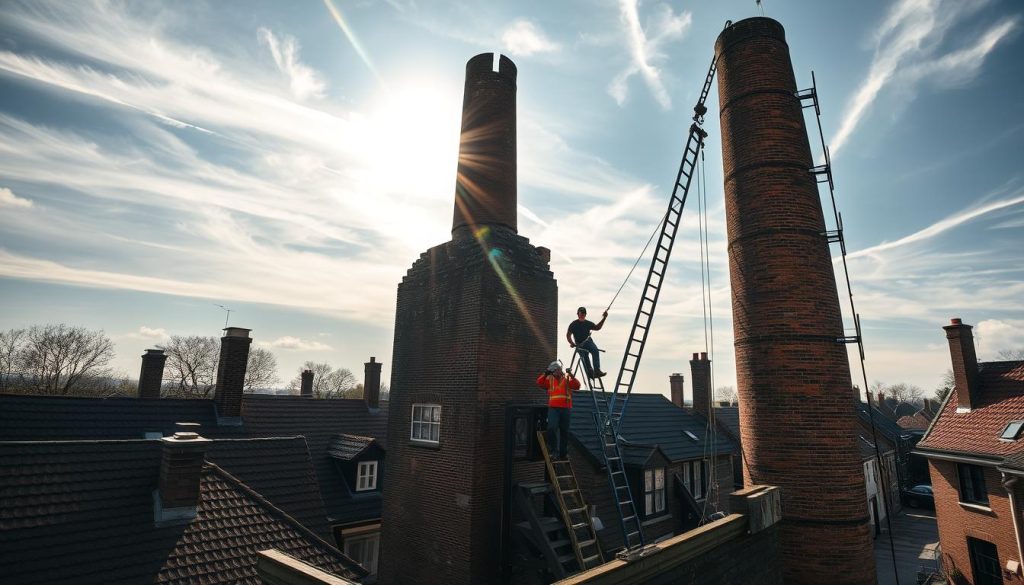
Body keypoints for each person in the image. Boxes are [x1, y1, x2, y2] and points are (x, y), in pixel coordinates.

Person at [537, 361, 580, 460]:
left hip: (566, 408)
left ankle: (563, 454)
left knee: (565, 431)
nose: (554, 373)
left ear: (559, 370)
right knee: (551, 428)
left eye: (555, 370)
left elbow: (577, 386)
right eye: (552, 371)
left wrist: (571, 375)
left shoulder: (567, 378)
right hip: (554, 408)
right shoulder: (550, 379)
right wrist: (545, 373)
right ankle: (554, 451)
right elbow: (539, 382)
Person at [566, 306, 608, 378]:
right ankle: (591, 374)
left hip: (588, 342)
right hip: (579, 344)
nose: (582, 314)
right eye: (581, 313)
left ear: (585, 314)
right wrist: (572, 343)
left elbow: (597, 327)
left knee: (595, 350)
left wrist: (604, 318)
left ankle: (597, 371)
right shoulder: (573, 324)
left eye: (584, 313)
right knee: (585, 357)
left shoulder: (588, 323)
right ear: (578, 314)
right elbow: (568, 335)